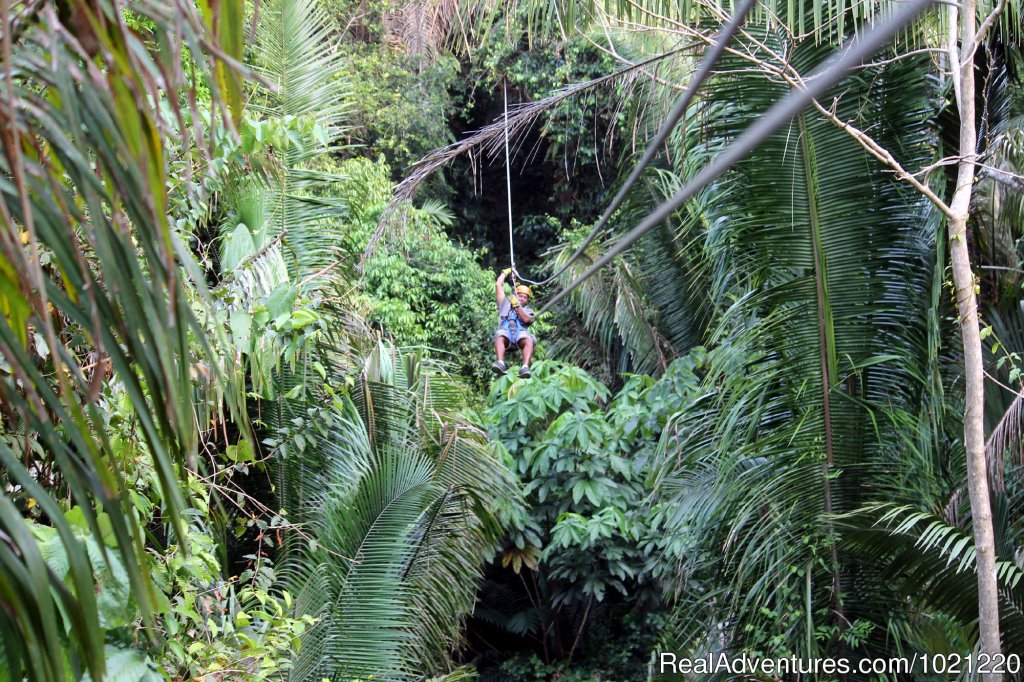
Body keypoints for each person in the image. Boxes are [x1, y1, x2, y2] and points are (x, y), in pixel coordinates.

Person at [492, 268, 536, 378]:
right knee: (500, 335)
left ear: (527, 300)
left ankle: (525, 367)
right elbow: (498, 285)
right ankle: (500, 363)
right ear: (515, 295)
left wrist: (517, 306)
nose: (522, 298)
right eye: (520, 296)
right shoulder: (504, 304)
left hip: (519, 335)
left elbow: (527, 320)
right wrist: (504, 273)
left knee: (529, 340)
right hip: (505, 333)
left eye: (525, 297)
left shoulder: (528, 311)